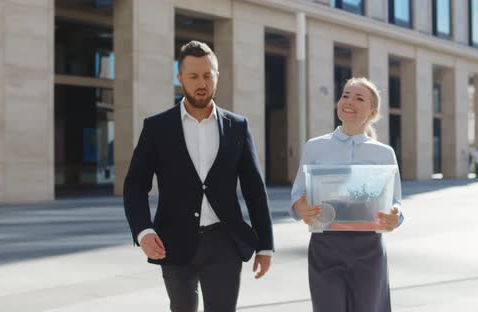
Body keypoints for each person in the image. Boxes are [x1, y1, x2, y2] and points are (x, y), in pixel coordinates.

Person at [123, 40, 274, 312]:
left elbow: (254, 188)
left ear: (217, 77)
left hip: (224, 242)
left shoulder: (237, 126)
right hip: (173, 240)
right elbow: (135, 184)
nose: (201, 82)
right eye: (193, 76)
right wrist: (143, 230)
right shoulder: (157, 127)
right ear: (180, 78)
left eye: (207, 75)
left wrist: (266, 245)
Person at [290, 77, 404, 312]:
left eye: (359, 98)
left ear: (372, 111)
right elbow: (298, 194)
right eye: (345, 95)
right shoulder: (315, 146)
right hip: (325, 247)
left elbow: (395, 203)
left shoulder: (384, 153)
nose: (349, 101)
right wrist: (301, 208)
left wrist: (395, 216)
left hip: (369, 249)